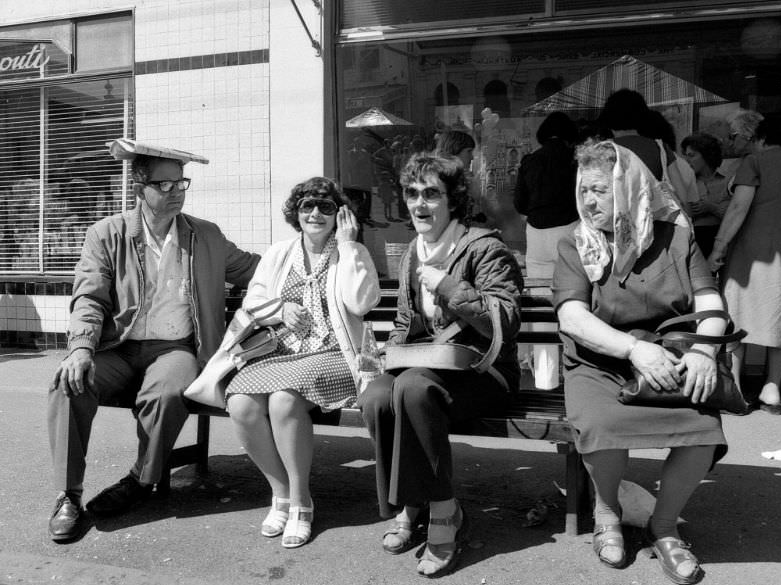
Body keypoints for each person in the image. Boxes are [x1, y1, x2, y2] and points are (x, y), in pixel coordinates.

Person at [47, 140, 261, 542]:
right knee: (67, 382)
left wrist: (317, 251)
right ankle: (68, 494)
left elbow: (255, 270)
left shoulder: (206, 236)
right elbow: (89, 296)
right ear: (139, 186)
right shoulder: (106, 234)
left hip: (175, 348)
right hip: (117, 347)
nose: (176, 191)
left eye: (182, 183)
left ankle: (140, 480)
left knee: (168, 390)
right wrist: (79, 349)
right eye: (165, 185)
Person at [553, 140, 727, 585]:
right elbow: (572, 316)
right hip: (599, 362)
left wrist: (705, 351)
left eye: (600, 190)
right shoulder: (576, 243)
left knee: (701, 428)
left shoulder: (676, 237)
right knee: (603, 424)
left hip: (668, 358)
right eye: (584, 189)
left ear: (629, 189)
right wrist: (633, 349)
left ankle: (664, 527)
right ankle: (607, 512)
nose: (588, 200)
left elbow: (709, 299)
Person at [359, 152, 523, 578]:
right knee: (377, 394)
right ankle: (413, 501)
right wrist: (387, 354)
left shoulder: (485, 247)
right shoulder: (414, 250)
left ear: (453, 200)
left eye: (431, 194)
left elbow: (504, 323)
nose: (419, 204)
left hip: (484, 372)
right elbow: (403, 322)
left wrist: (450, 286)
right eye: (412, 194)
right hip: (428, 367)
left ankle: (446, 511)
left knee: (413, 388)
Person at [225, 177, 380, 548]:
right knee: (240, 402)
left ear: (339, 215)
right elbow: (253, 301)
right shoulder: (280, 253)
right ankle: (279, 494)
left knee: (283, 400)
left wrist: (350, 246)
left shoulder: (350, 251)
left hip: (335, 354)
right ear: (296, 213)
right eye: (307, 206)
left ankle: (301, 502)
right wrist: (280, 309)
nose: (315, 214)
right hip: (282, 353)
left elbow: (362, 303)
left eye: (326, 207)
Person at [708, 115, 781, 415]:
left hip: (753, 251)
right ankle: (772, 388)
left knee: (738, 313)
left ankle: (735, 388)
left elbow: (737, 208)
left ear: (761, 138)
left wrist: (718, 250)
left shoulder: (755, 162)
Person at [513, 111, 579, 280]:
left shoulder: (530, 160)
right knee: (573, 285)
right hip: (571, 227)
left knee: (539, 287)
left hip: (536, 232)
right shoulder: (575, 159)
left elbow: (520, 203)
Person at [598, 89, 691, 206]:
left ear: (608, 117)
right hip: (654, 221)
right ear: (643, 116)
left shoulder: (600, 151)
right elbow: (683, 200)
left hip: (615, 221)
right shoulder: (660, 148)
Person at [680, 133, 731, 258]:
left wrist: (711, 207)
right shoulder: (684, 182)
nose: (687, 161)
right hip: (693, 241)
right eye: (685, 156)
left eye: (691, 156)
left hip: (722, 240)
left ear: (707, 156)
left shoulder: (726, 181)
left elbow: (735, 214)